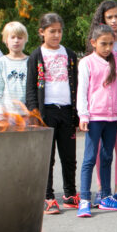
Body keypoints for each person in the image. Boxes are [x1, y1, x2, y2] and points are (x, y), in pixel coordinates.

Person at [25, 12, 79, 215]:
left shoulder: (70, 55)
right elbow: (30, 88)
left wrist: (78, 112)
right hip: (46, 111)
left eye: (59, 31)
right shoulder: (36, 56)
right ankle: (48, 197)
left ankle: (70, 194)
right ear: (42, 32)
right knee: (47, 157)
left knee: (69, 156)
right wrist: (34, 113)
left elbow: (77, 84)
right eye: (51, 31)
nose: (56, 35)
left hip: (66, 110)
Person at [87, 0, 117, 205]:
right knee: (101, 148)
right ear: (102, 19)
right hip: (101, 102)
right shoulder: (100, 39)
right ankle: (102, 189)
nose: (114, 20)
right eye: (110, 17)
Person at [76, 24, 117, 217]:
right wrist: (83, 115)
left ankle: (106, 197)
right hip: (94, 118)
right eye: (103, 44)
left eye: (111, 44)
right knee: (90, 158)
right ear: (93, 43)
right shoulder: (87, 63)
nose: (107, 48)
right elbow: (82, 91)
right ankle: (84, 200)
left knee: (107, 157)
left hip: (112, 118)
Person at [0, 21, 29, 124]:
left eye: (20, 37)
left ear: (25, 40)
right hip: (7, 114)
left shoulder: (30, 62)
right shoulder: (0, 63)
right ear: (6, 40)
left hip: (26, 114)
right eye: (12, 37)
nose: (16, 41)